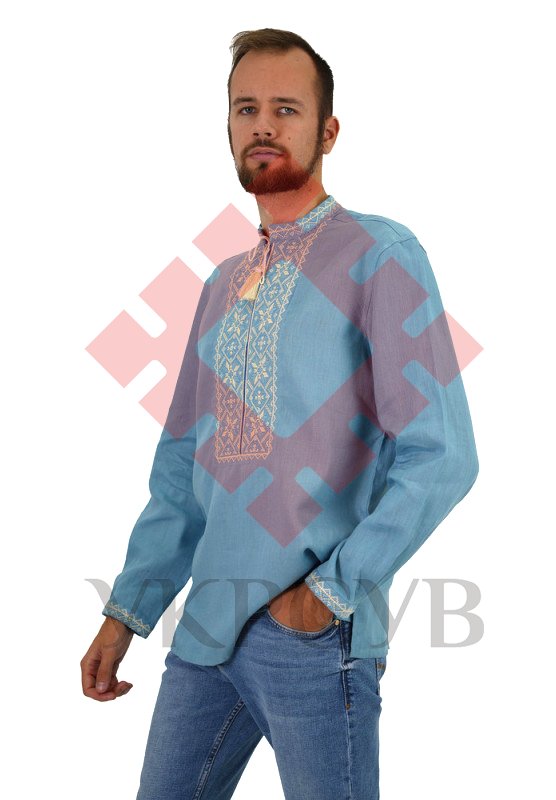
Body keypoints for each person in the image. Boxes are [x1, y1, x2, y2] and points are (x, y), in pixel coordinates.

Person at [81, 28, 479, 799]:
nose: (262, 124)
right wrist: (126, 612)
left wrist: (329, 593)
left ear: (327, 131)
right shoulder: (219, 286)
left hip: (311, 638)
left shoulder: (378, 254)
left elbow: (441, 454)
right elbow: (181, 472)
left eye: (285, 109)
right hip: (204, 632)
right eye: (246, 109)